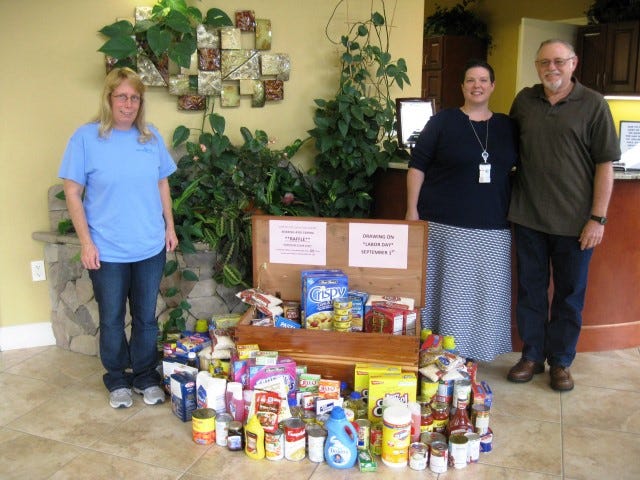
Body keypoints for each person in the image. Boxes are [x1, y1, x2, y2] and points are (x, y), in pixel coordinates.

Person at [59, 67, 179, 408]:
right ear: (109, 99)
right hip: (107, 249)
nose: (129, 104)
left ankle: (144, 376)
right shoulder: (86, 138)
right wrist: (86, 242)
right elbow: (72, 191)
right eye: (122, 97)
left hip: (149, 245)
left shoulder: (150, 136)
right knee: (112, 318)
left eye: (135, 98)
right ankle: (117, 378)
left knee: (145, 317)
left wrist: (169, 226)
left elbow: (162, 183)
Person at [507, 39, 619, 391]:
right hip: (528, 218)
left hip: (576, 224)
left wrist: (597, 218)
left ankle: (561, 361)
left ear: (574, 63)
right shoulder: (524, 101)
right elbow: (505, 150)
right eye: (543, 62)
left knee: (570, 295)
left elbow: (605, 165)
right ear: (536, 66)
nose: (550, 68)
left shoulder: (593, 104)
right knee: (530, 292)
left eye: (558, 61)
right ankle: (532, 355)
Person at [406, 59, 518, 362]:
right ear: (462, 87)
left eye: (483, 80)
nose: (477, 86)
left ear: (493, 86)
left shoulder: (507, 126)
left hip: (493, 225)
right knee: (447, 294)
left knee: (484, 296)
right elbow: (417, 167)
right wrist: (411, 211)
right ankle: (439, 354)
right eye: (470, 80)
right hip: (443, 225)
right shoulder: (443, 121)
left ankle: (475, 354)